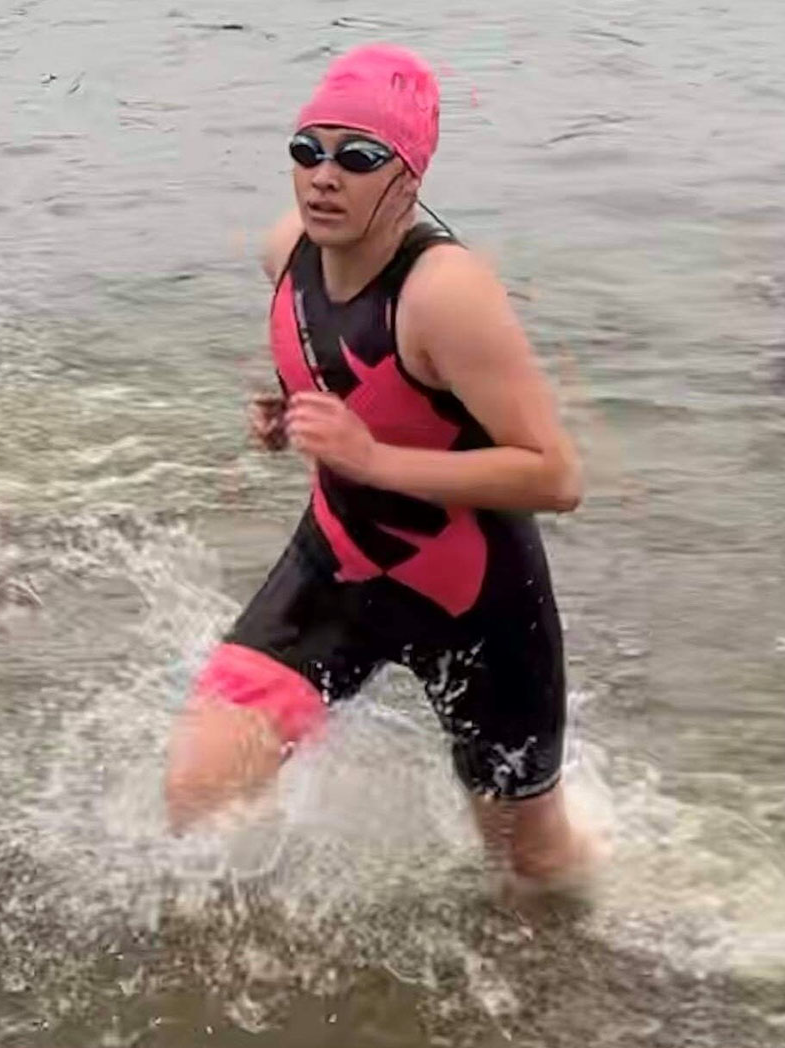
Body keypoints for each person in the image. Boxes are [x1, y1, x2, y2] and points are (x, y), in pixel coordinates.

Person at [166, 43, 599, 885]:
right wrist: (294, 408)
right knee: (199, 791)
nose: (324, 176)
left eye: (358, 157)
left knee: (531, 866)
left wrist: (371, 455)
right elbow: (343, 364)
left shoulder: (445, 293)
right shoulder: (287, 253)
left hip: (476, 601)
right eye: (307, 150)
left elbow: (556, 476)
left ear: (408, 177)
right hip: (342, 561)